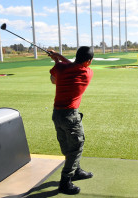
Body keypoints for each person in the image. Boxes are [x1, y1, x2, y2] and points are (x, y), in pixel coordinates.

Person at [49, 46, 94, 195]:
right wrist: (59, 58)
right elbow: (74, 67)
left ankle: (76, 171)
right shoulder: (87, 73)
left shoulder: (61, 68)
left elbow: (53, 80)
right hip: (70, 116)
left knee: (68, 146)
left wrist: (57, 60)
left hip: (57, 115)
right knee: (76, 145)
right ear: (88, 62)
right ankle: (65, 181)